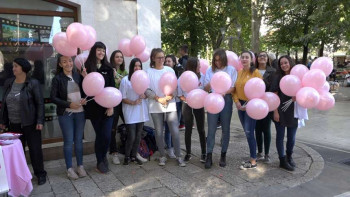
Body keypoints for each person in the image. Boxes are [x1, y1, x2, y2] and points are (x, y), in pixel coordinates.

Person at [0, 58, 47, 185]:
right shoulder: (9, 83)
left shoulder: (33, 83)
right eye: (13, 66)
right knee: (17, 153)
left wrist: (40, 121)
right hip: (14, 124)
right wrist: (3, 120)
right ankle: (20, 175)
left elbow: (39, 103)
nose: (13, 68)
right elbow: (4, 103)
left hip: (31, 124)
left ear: (23, 68)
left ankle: (40, 174)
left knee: (35, 150)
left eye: (16, 66)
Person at [145, 48, 186, 167]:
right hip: (155, 104)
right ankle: (162, 155)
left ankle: (179, 156)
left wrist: (169, 97)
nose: (162, 60)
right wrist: (158, 99)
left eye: (163, 57)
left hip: (170, 103)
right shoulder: (148, 72)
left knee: (174, 130)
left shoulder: (169, 70)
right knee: (158, 132)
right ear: (153, 58)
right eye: (159, 57)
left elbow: (175, 86)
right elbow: (146, 89)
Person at [50, 54, 87, 179]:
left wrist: (84, 100)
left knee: (78, 141)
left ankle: (80, 166)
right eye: (64, 62)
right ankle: (69, 168)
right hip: (66, 114)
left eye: (70, 61)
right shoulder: (57, 79)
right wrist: (69, 104)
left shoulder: (78, 76)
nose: (68, 64)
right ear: (60, 64)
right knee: (68, 141)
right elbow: (53, 98)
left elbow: (86, 91)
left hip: (80, 113)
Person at [83, 42, 115, 173]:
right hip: (94, 108)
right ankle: (100, 160)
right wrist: (85, 77)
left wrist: (111, 105)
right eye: (99, 50)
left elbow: (112, 88)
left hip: (108, 107)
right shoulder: (87, 67)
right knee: (100, 135)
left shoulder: (108, 67)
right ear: (93, 51)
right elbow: (85, 89)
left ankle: (103, 157)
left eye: (103, 50)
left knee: (107, 135)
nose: (101, 53)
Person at [204, 49, 237, 169]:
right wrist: (211, 83)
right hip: (213, 99)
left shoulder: (231, 70)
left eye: (220, 60)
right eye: (215, 60)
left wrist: (223, 91)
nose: (217, 63)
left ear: (224, 59)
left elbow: (233, 88)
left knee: (225, 128)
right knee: (211, 128)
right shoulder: (209, 70)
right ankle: (209, 155)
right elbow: (206, 87)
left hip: (226, 99)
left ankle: (223, 154)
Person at [233, 51, 262, 169]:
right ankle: (252, 155)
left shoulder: (255, 72)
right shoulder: (239, 72)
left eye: (247, 57)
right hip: (240, 105)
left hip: (251, 105)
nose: (244, 59)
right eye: (242, 57)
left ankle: (253, 160)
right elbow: (234, 89)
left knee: (250, 132)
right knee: (247, 132)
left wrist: (249, 103)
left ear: (251, 60)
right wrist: (237, 101)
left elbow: (260, 89)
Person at [270, 55, 298, 171]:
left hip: (293, 110)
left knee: (291, 137)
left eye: (286, 62)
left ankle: (289, 156)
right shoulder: (277, 76)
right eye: (281, 64)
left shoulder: (297, 75)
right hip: (280, 110)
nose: (284, 65)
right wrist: (275, 112)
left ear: (290, 62)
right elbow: (273, 95)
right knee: (280, 137)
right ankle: (282, 160)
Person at [120, 58, 149, 165]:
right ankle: (126, 156)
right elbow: (122, 97)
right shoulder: (125, 80)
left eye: (139, 66)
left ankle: (133, 156)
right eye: (135, 66)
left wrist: (145, 96)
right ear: (131, 67)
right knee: (131, 135)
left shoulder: (144, 78)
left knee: (138, 135)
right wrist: (133, 102)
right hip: (130, 110)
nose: (137, 68)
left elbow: (148, 93)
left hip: (141, 110)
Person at [178, 57, 206, 163]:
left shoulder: (202, 76)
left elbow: (204, 90)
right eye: (198, 65)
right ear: (192, 67)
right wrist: (188, 100)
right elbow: (180, 95)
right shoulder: (182, 78)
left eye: (200, 65)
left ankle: (204, 153)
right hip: (187, 105)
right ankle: (188, 153)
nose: (200, 67)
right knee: (188, 129)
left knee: (201, 129)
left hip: (199, 105)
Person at [255, 51, 276, 162]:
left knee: (266, 129)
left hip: (267, 103)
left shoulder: (272, 71)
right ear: (257, 58)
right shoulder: (253, 70)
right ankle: (259, 152)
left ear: (267, 59)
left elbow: (273, 87)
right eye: (260, 55)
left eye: (264, 56)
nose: (262, 57)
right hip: (255, 104)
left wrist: (261, 82)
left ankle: (267, 154)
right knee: (257, 129)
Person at [108, 50, 127, 165]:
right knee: (112, 129)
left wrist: (121, 81)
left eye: (121, 57)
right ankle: (114, 153)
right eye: (117, 57)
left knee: (130, 125)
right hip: (113, 103)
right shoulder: (109, 70)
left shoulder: (124, 71)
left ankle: (131, 149)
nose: (119, 59)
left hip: (124, 102)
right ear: (113, 58)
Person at [163, 55, 183, 158]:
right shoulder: (162, 75)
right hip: (167, 103)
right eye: (165, 61)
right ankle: (169, 148)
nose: (167, 63)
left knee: (175, 126)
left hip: (177, 102)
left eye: (169, 61)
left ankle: (176, 148)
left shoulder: (178, 74)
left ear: (174, 63)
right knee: (168, 127)